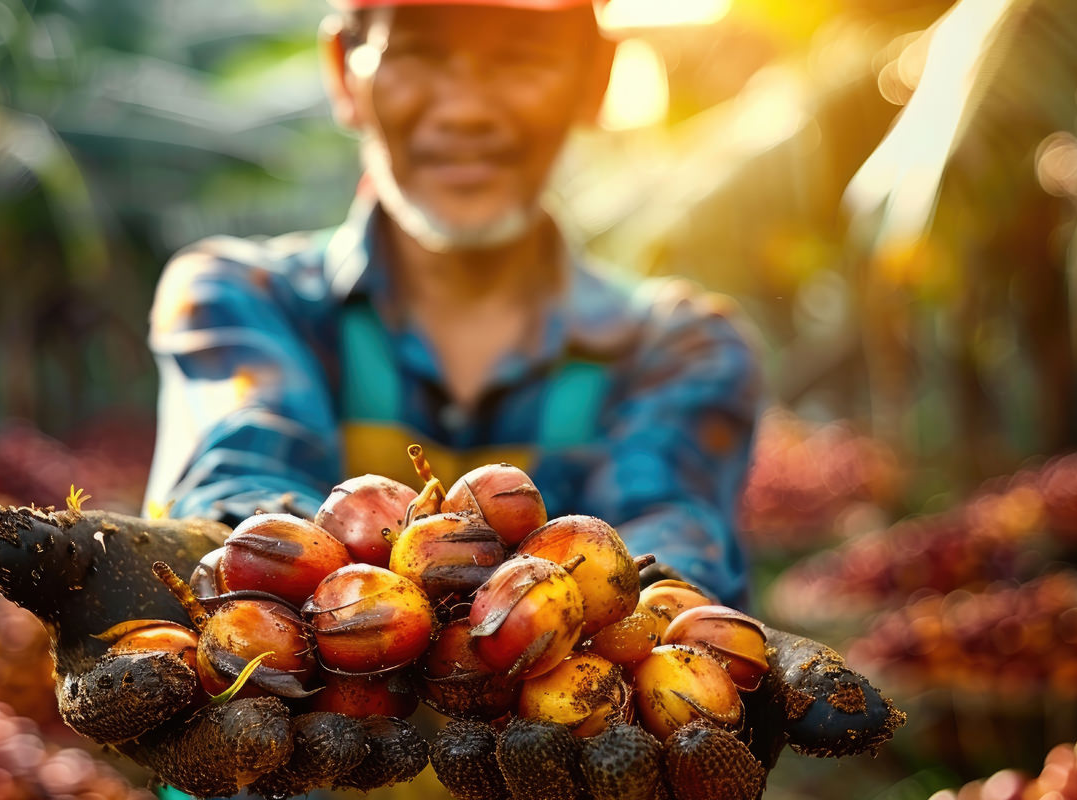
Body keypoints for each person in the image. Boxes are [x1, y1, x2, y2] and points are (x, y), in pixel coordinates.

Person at [144, 0, 762, 609]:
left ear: (595, 79)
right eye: (416, 53)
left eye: (521, 59)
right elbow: (238, 497)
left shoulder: (684, 351)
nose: (466, 110)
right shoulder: (239, 299)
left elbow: (667, 557)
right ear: (343, 71)